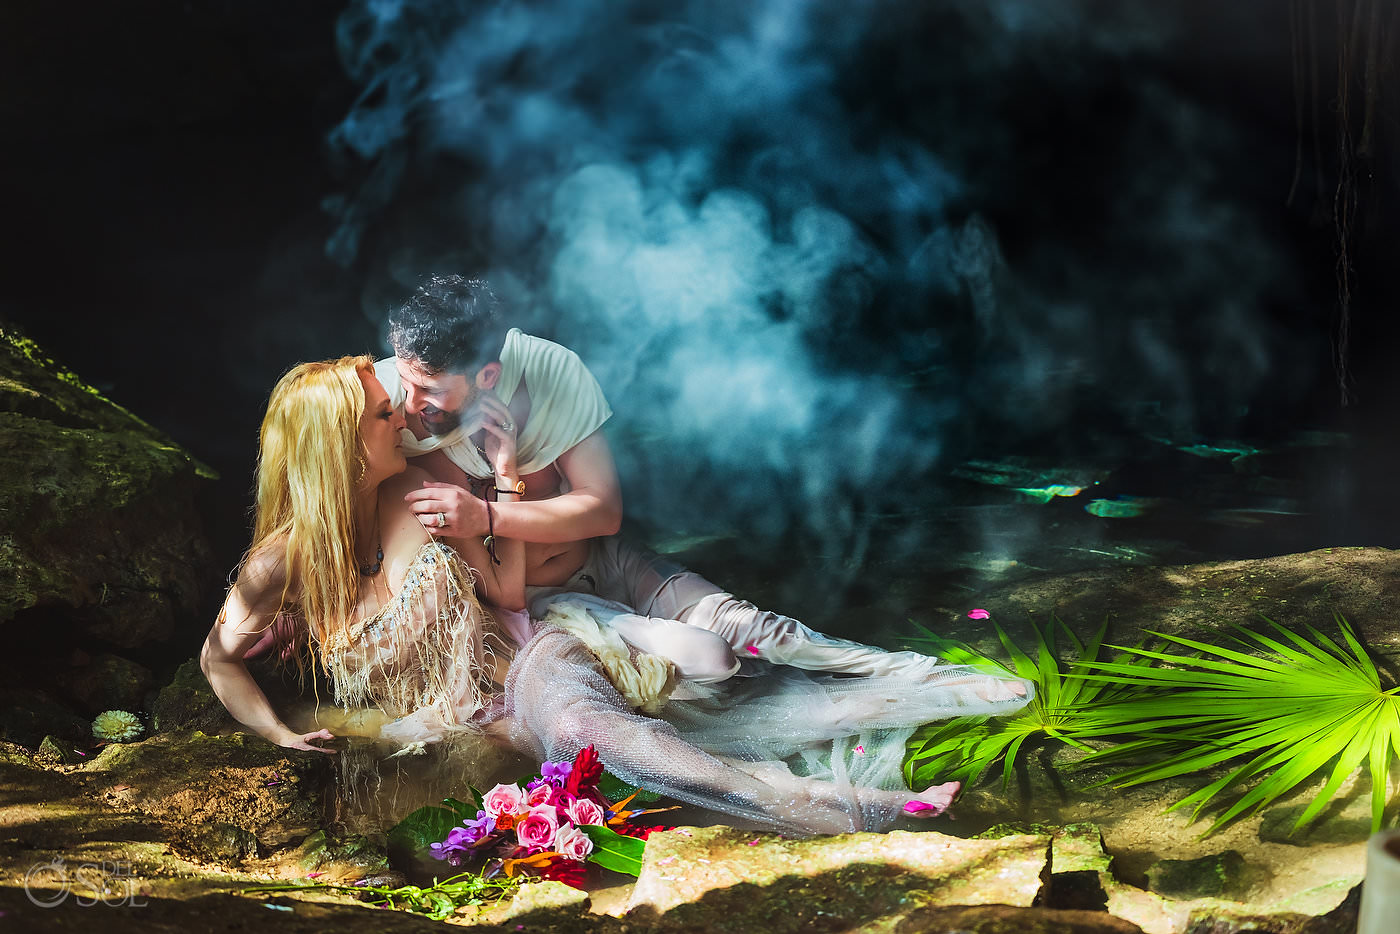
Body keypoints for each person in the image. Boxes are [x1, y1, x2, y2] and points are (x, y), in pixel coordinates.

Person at [200, 356, 1030, 834]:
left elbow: (510, 561)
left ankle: (838, 795)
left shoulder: (425, 481)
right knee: (738, 706)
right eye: (387, 414)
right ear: (344, 444)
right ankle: (843, 775)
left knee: (584, 726)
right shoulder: (282, 566)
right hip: (449, 722)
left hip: (527, 655)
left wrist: (505, 486)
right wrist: (274, 730)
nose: (408, 415)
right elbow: (218, 659)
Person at [378, 274, 985, 686]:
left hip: (602, 558)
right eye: (405, 381)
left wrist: (491, 507)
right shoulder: (385, 410)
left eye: (428, 388)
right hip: (532, 601)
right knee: (711, 672)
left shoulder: (551, 370)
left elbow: (602, 510)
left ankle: (920, 677)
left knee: (753, 627)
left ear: (486, 376)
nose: (408, 403)